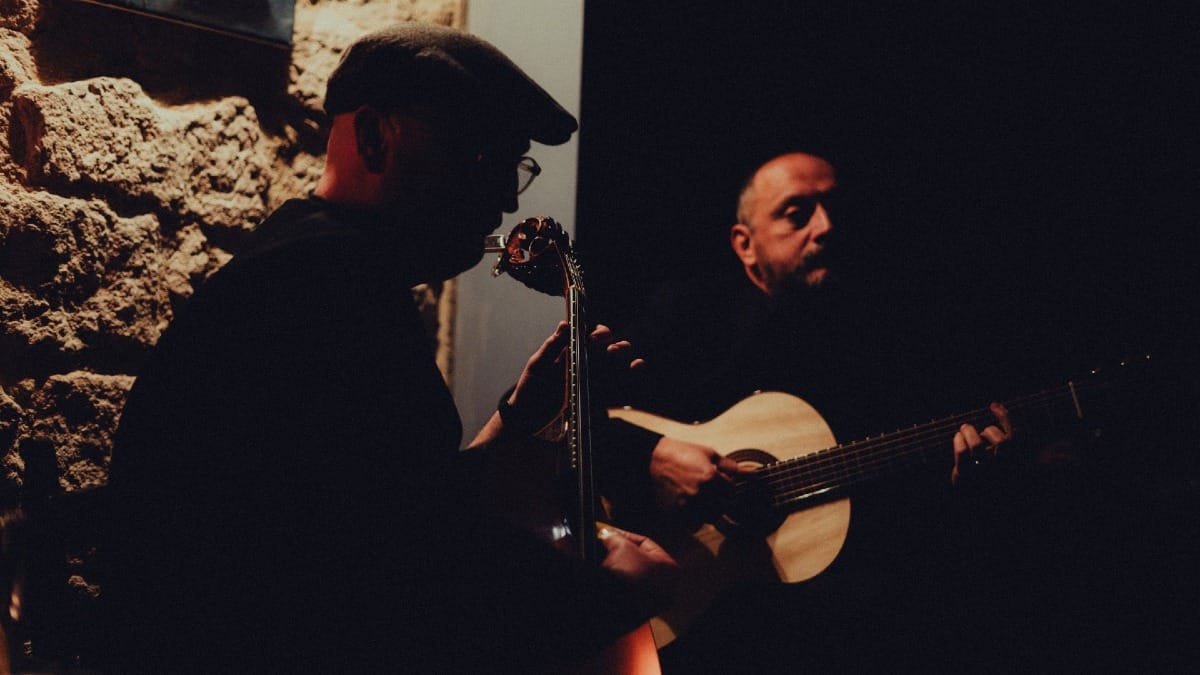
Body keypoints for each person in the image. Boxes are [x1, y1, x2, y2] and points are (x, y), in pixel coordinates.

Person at [100, 24, 676, 673]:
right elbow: (391, 582)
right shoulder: (322, 293)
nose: (509, 198)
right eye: (480, 156)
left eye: (515, 166)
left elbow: (398, 507)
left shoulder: (326, 269)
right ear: (373, 137)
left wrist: (519, 414)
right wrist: (604, 595)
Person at [595, 152, 1023, 670]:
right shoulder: (690, 315)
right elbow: (566, 423)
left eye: (836, 208)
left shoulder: (896, 340)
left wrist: (971, 489)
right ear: (745, 245)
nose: (827, 226)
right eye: (797, 213)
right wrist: (653, 456)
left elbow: (911, 529)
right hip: (709, 637)